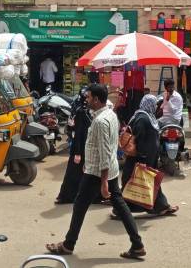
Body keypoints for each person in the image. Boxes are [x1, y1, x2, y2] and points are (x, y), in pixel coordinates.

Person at [45, 84, 145, 260]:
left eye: (89, 97)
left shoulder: (100, 121)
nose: (86, 100)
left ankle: (69, 244)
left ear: (97, 99)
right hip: (106, 168)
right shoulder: (110, 114)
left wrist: (104, 181)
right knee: (119, 206)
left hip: (99, 173)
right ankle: (137, 244)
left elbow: (105, 151)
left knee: (80, 206)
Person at [120, 95, 179, 216]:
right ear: (149, 104)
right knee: (133, 184)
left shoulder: (148, 116)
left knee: (150, 183)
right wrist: (142, 157)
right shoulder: (142, 118)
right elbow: (139, 138)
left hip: (147, 158)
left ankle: (161, 207)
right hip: (141, 158)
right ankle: (120, 210)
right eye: (156, 105)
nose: (158, 107)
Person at [55, 87, 96, 204]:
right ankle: (67, 196)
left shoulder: (86, 111)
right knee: (74, 174)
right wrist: (77, 152)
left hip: (85, 147)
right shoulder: (80, 112)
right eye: (87, 97)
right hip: (79, 148)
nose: (89, 99)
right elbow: (78, 133)